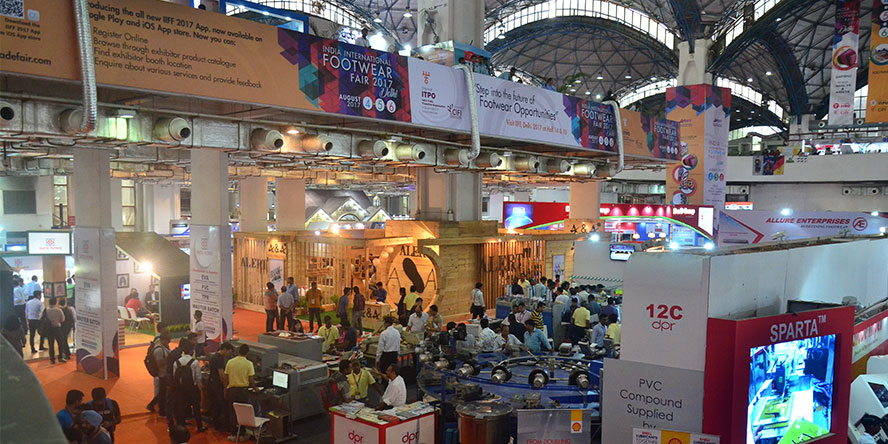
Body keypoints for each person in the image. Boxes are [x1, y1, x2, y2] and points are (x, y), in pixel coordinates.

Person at [224, 344, 257, 441]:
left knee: (233, 412)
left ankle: (233, 434)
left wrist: (225, 390)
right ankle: (242, 434)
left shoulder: (230, 362)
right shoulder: (249, 364)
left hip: (232, 390)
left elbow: (226, 378)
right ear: (247, 353)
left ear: (238, 351)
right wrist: (255, 388)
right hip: (243, 392)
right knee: (242, 412)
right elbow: (251, 380)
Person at [172, 340, 206, 432]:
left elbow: (175, 376)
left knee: (181, 407)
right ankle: (199, 426)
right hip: (192, 389)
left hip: (180, 389)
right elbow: (198, 378)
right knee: (196, 408)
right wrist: (200, 388)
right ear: (191, 351)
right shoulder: (194, 362)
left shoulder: (176, 362)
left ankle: (181, 426)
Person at [208, 341, 233, 431]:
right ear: (225, 349)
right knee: (223, 406)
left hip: (213, 385)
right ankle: (225, 426)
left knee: (215, 406)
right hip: (218, 386)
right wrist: (226, 387)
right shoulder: (219, 359)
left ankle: (217, 425)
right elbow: (221, 375)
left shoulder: (214, 357)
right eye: (229, 352)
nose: (229, 354)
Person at [148, 334, 171, 417]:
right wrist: (168, 360)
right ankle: (161, 411)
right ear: (164, 340)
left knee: (162, 392)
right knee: (162, 393)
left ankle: (152, 405)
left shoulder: (161, 348)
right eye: (168, 341)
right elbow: (159, 364)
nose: (168, 343)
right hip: (161, 374)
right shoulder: (159, 350)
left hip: (162, 374)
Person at [45, 297, 66, 364]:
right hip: (57, 328)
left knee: (51, 344)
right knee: (60, 343)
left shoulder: (46, 310)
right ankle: (60, 357)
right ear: (56, 302)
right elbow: (62, 319)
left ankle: (52, 359)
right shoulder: (58, 310)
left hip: (49, 328)